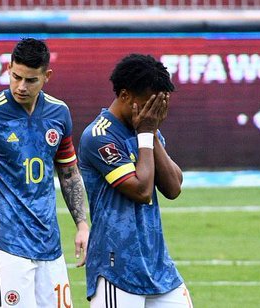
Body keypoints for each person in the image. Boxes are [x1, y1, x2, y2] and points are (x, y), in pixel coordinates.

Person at [0, 38, 89, 307]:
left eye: (30, 80)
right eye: (16, 76)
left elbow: (69, 173)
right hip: (6, 244)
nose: (21, 86)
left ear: (46, 77)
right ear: (8, 68)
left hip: (49, 244)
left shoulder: (59, 113)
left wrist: (82, 225)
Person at [78, 53, 192, 307]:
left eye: (159, 105)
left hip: (158, 266)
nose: (154, 111)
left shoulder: (146, 130)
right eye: (149, 103)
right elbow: (141, 190)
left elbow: (173, 188)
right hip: (116, 268)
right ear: (125, 95)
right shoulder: (98, 136)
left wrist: (150, 134)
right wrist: (146, 134)